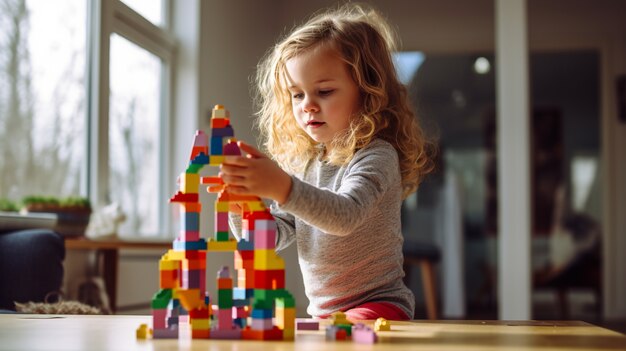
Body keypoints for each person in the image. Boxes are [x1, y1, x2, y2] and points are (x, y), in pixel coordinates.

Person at [221, 3, 433, 321]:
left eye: (324, 91)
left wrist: (282, 187)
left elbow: (344, 215)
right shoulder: (305, 164)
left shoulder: (377, 156)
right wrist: (245, 211)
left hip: (380, 305)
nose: (308, 105)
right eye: (297, 95)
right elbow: (274, 236)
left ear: (367, 92)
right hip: (324, 313)